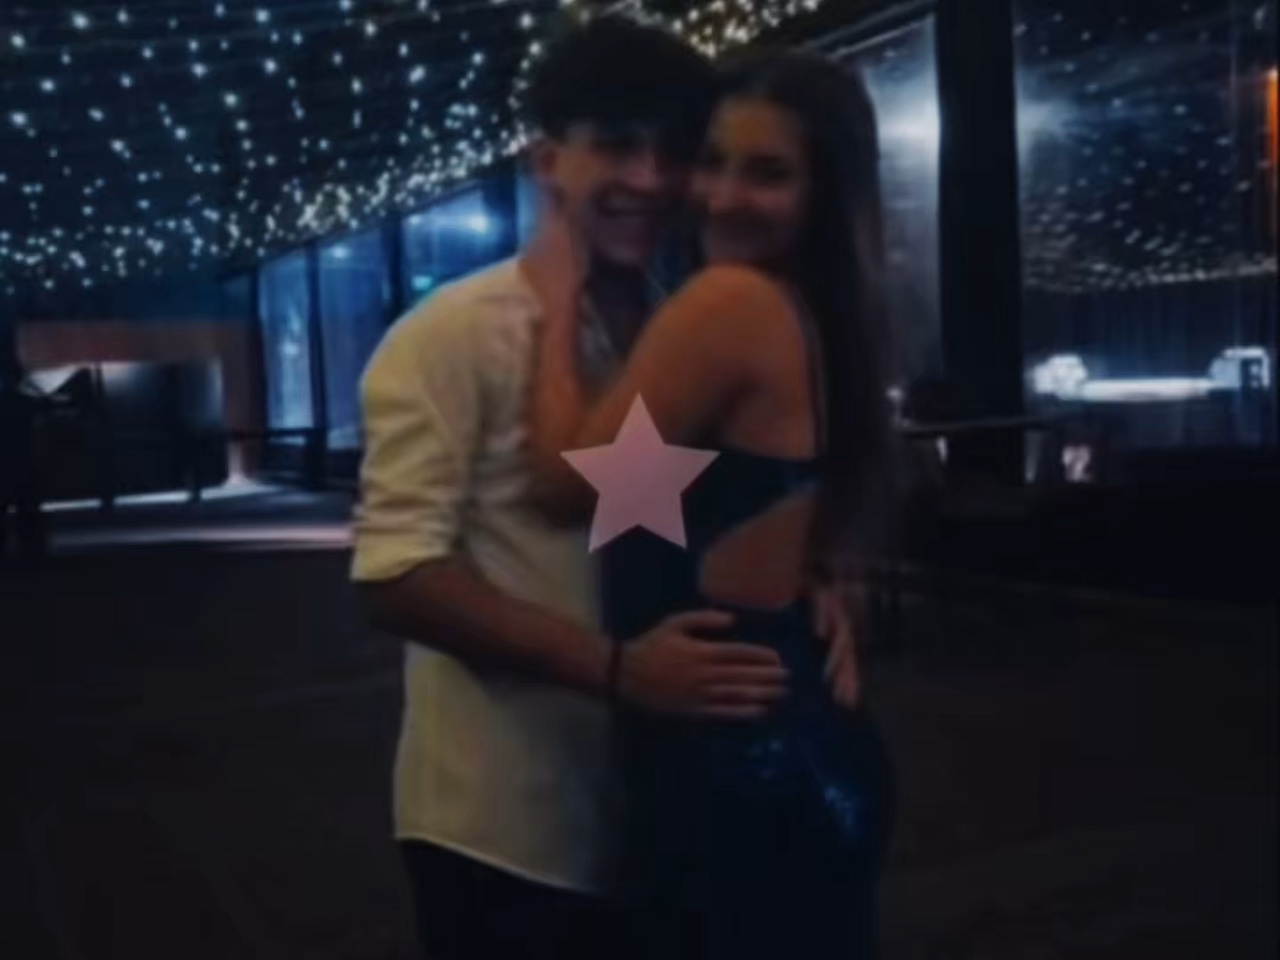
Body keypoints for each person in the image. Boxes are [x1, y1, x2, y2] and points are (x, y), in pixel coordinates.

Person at [352, 18, 854, 960]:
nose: (653, 179)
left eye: (675, 150)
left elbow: (729, 506)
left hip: (667, 815)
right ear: (549, 160)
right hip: (506, 826)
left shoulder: (683, 327)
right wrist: (618, 670)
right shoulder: (453, 334)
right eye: (617, 146)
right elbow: (395, 576)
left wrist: (809, 586)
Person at [524, 51, 898, 959]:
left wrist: (557, 297)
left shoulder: (728, 301)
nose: (722, 196)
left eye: (766, 173)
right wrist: (820, 580)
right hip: (783, 732)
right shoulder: (815, 309)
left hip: (738, 763)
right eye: (714, 161)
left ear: (821, 193)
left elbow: (563, 482)